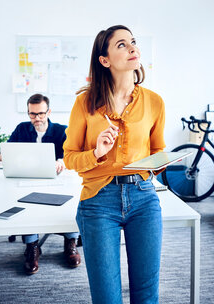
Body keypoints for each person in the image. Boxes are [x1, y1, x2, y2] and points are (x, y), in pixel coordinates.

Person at [63, 25, 165, 304]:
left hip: (144, 198)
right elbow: (70, 157)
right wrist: (96, 152)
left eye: (133, 42)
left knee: (146, 294)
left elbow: (158, 150)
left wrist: (160, 163)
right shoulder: (85, 102)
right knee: (106, 296)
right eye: (121, 44)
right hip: (98, 201)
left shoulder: (154, 102)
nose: (132, 48)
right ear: (104, 60)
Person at [0, 93, 81, 275]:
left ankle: (70, 243)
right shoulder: (21, 129)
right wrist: (4, 156)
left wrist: (62, 161)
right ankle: (32, 246)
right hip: (27, 181)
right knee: (23, 204)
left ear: (48, 111)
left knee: (71, 202)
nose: (37, 118)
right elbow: (6, 151)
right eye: (32, 114)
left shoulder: (62, 131)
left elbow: (72, 155)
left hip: (59, 181)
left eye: (41, 114)